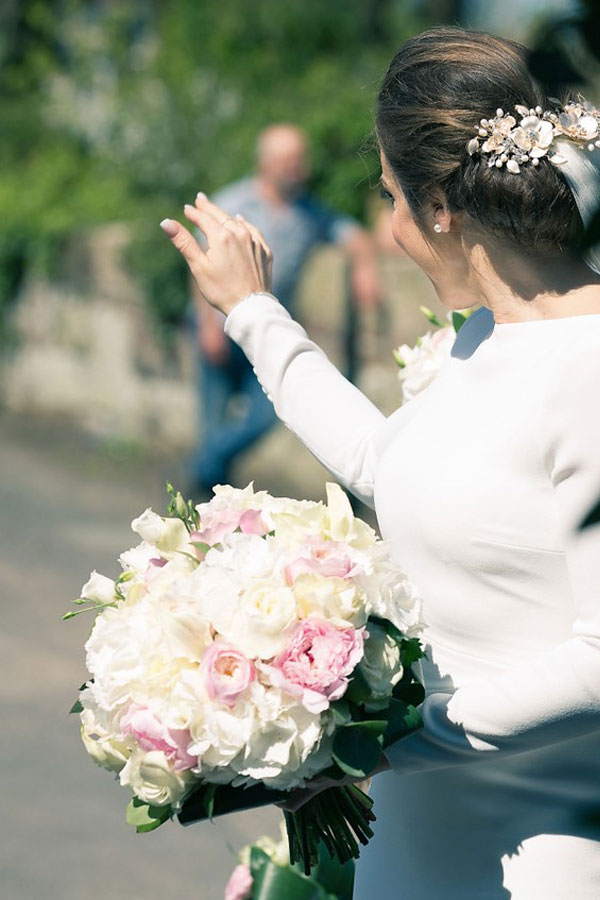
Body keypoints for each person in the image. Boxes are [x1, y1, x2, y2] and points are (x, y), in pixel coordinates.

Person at [160, 26, 600, 899]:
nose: (390, 226)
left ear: (441, 205)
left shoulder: (588, 369)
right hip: (409, 852)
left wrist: (372, 742)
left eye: (393, 197)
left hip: (540, 864)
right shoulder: (489, 334)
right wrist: (254, 312)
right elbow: (384, 461)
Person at [189, 123, 382, 496]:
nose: (298, 167)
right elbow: (200, 266)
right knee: (213, 417)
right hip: (220, 323)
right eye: (288, 159)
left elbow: (355, 236)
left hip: (264, 327)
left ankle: (202, 470)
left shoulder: (309, 213)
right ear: (266, 162)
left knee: (267, 414)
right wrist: (206, 325)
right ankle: (209, 502)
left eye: (300, 158)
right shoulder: (232, 204)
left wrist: (364, 267)